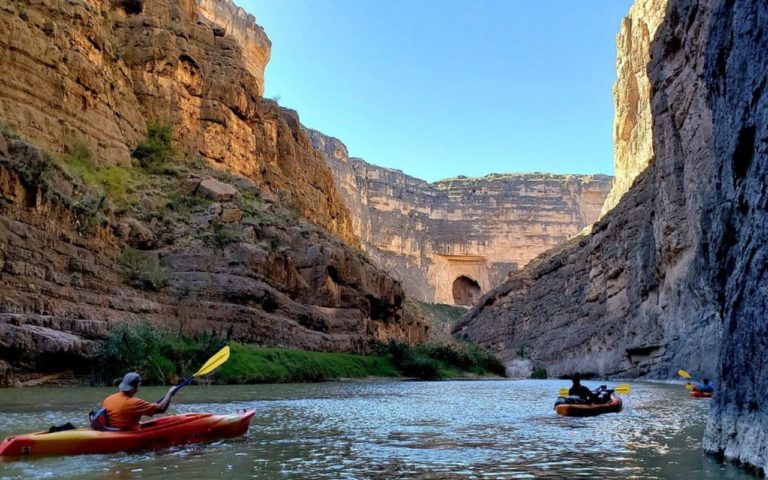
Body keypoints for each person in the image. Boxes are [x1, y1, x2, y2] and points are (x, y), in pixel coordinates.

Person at [99, 372, 178, 430]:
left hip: (111, 431)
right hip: (128, 434)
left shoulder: (108, 399)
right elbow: (161, 409)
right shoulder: (135, 403)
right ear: (136, 387)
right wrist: (169, 393)